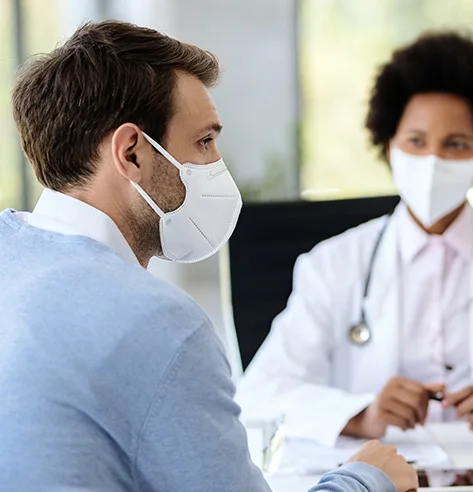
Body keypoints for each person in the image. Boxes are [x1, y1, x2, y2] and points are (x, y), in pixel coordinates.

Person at [0, 21, 415, 492]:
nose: (218, 164)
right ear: (132, 152)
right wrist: (367, 479)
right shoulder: (155, 321)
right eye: (204, 141)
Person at [236, 32, 473, 446]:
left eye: (455, 144)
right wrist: (362, 415)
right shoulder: (333, 264)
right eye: (416, 141)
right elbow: (260, 393)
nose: (432, 161)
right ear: (389, 147)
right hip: (377, 472)